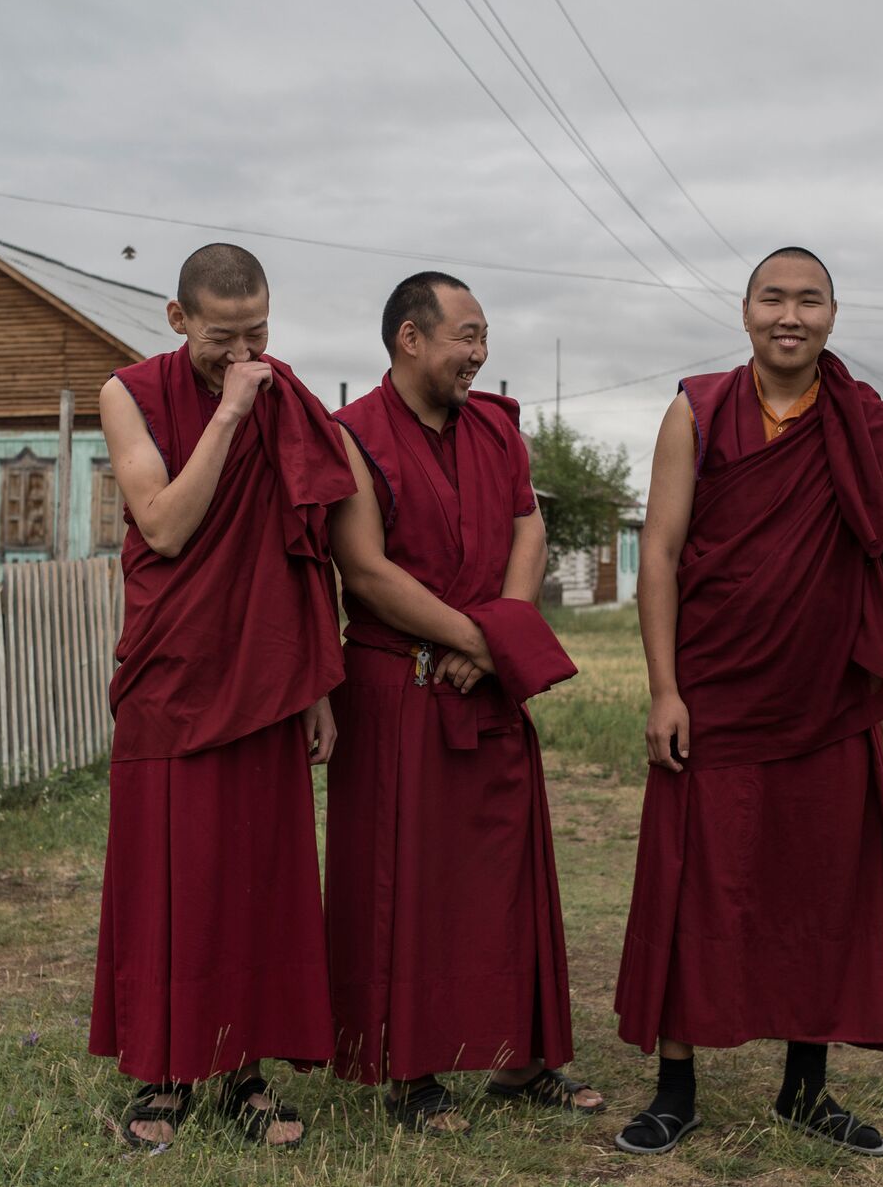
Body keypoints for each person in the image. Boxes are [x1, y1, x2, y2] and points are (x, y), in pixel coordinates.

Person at [613, 247, 883, 1158]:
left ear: (834, 314)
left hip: (831, 703)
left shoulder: (865, 421)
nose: (789, 314)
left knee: (818, 889)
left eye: (809, 299)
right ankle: (674, 1088)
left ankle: (807, 1090)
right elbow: (661, 555)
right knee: (694, 883)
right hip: (714, 693)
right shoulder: (700, 408)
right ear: (746, 311)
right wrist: (665, 688)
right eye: (772, 298)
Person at [87, 243, 356, 1150]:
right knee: (170, 872)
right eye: (219, 337)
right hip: (172, 672)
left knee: (259, 874)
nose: (240, 354)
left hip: (269, 672)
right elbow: (163, 526)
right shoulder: (129, 392)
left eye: (257, 334)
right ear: (177, 319)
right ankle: (163, 1074)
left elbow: (304, 540)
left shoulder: (285, 396)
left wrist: (319, 684)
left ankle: (246, 1069)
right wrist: (231, 414)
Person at [324, 272, 604, 1133]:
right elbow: (364, 567)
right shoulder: (352, 437)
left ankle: (523, 1061)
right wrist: (476, 637)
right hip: (396, 685)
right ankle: (410, 1072)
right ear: (411, 339)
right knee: (405, 882)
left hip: (483, 683)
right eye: (466, 336)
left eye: (484, 338)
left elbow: (528, 525)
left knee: (508, 877)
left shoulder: (496, 430)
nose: (480, 355)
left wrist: (495, 633)